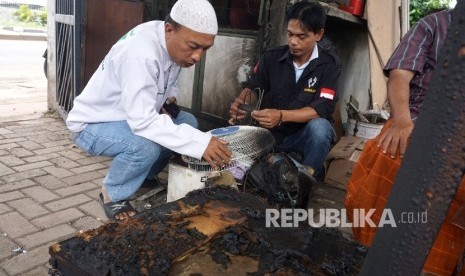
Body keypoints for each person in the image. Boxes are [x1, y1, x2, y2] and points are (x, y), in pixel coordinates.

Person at [66, 0, 232, 221]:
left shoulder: (167, 39)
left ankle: (145, 175)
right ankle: (113, 194)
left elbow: (166, 81)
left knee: (188, 122)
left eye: (205, 49)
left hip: (130, 115)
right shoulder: (140, 53)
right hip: (93, 124)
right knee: (145, 147)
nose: (198, 57)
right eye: (193, 47)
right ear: (169, 30)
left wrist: (168, 97)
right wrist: (201, 143)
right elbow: (142, 122)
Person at [345, 9, 465, 275]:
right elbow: (400, 74)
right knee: (390, 155)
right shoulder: (434, 25)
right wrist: (402, 120)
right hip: (419, 125)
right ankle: (373, 256)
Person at [229, 1, 341, 180]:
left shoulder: (329, 65)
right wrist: (242, 103)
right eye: (290, 34)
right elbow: (254, 87)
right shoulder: (271, 57)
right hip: (269, 135)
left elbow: (323, 107)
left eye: (302, 36)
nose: (293, 42)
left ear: (318, 34)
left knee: (321, 128)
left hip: (301, 136)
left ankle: (305, 179)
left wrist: (281, 115)